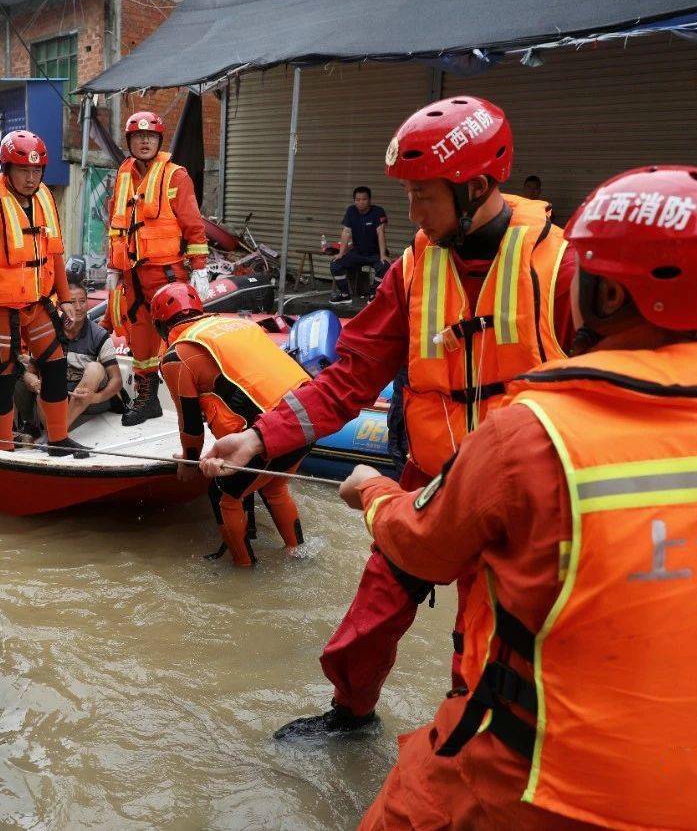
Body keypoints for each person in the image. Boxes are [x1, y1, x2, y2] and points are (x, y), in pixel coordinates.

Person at [345, 165, 697, 830]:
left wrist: (373, 492)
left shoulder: (535, 433)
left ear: (602, 295)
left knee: (403, 807)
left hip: (551, 793)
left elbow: (424, 546)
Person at [204, 96, 576, 740]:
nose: (411, 216)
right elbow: (349, 379)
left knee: (485, 656)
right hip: (425, 484)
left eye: (424, 197)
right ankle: (352, 713)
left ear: (478, 187)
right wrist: (260, 437)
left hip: (524, 509)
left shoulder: (561, 269)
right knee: (364, 629)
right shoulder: (413, 272)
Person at [154, 282, 312, 566]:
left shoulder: (176, 356)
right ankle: (298, 554)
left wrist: (189, 462)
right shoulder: (237, 325)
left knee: (223, 492)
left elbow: (190, 425)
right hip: (310, 412)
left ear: (160, 326)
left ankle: (242, 570)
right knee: (274, 487)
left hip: (270, 427)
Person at [0, 129, 88, 457]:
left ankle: (58, 440)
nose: (31, 178)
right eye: (22, 170)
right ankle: (4, 447)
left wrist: (66, 298)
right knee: (3, 376)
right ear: (7, 169)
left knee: (56, 364)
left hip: (38, 303)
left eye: (36, 171)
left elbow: (55, 252)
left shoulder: (46, 196)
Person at [105, 110, 211, 426]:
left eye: (150, 136)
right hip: (132, 275)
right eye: (139, 137)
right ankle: (147, 398)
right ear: (130, 142)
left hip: (168, 274)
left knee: (181, 336)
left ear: (159, 140)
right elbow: (115, 225)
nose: (145, 141)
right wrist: (113, 266)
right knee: (141, 340)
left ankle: (202, 400)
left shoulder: (176, 176)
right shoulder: (123, 176)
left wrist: (201, 268)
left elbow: (193, 223)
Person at [15, 271, 123, 432]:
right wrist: (34, 383)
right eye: (72, 302)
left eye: (82, 301)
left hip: (89, 401)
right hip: (58, 397)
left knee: (95, 368)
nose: (78, 307)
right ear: (61, 305)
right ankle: (37, 427)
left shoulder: (99, 335)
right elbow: (30, 371)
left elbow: (117, 380)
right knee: (21, 373)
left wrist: (96, 397)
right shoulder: (47, 332)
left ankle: (58, 432)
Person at [330, 186, 390, 305]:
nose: (361, 202)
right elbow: (346, 232)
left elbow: (381, 233)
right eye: (357, 200)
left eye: (364, 199)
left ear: (370, 200)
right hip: (357, 253)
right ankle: (345, 295)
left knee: (384, 266)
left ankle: (374, 295)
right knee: (335, 264)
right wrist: (341, 253)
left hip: (375, 253)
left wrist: (383, 255)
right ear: (354, 200)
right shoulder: (351, 211)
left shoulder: (378, 211)